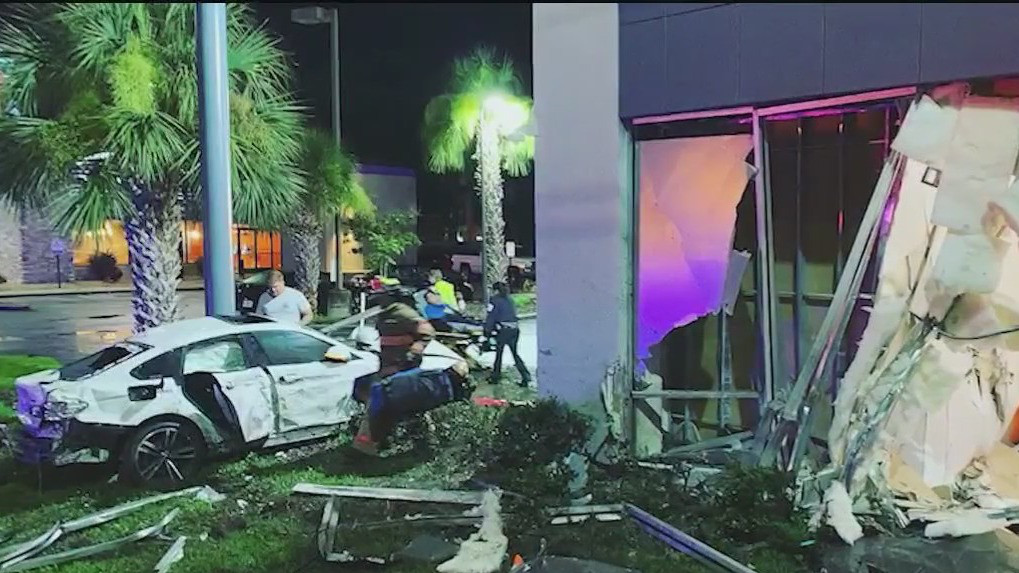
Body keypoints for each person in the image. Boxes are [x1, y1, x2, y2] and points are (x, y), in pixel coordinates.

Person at [352, 287, 436, 456]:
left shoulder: (401, 311)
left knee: (381, 401)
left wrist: (411, 353)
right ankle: (385, 441)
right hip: (388, 366)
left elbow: (427, 331)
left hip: (401, 367)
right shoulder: (388, 313)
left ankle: (367, 446)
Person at [483, 282, 531, 387]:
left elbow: (491, 316)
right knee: (515, 353)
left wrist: (487, 330)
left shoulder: (494, 300)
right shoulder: (510, 299)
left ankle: (495, 377)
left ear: (496, 290)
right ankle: (525, 375)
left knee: (499, 353)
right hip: (514, 329)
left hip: (503, 330)